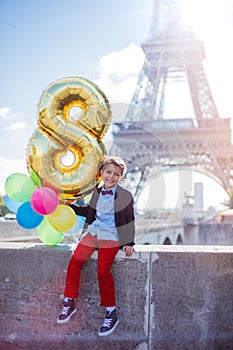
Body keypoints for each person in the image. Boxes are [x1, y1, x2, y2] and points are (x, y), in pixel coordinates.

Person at [57, 156, 135, 337]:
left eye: (116, 174)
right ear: (101, 173)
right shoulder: (95, 193)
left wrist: (128, 242)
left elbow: (129, 220)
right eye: (108, 172)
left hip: (111, 235)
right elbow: (88, 212)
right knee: (75, 261)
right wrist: (70, 207)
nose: (111, 177)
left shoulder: (125, 196)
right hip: (93, 232)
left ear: (121, 178)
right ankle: (69, 301)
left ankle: (111, 312)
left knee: (103, 271)